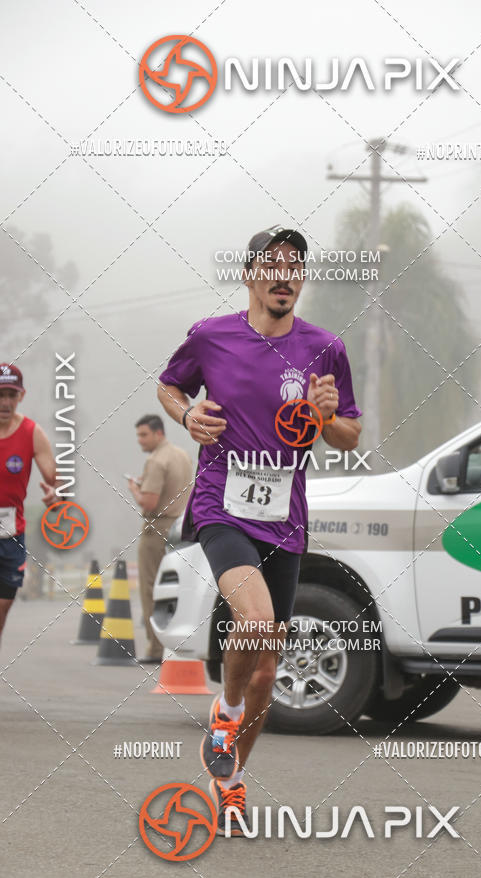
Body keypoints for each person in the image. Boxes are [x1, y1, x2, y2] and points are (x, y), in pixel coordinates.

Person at [157, 225, 362, 835]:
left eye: (295, 265)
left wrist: (328, 416)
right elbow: (170, 386)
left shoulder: (325, 349)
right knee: (256, 621)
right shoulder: (211, 336)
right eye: (273, 264)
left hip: (286, 521)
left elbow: (350, 433)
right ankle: (225, 707)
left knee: (269, 669)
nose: (285, 274)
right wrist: (188, 413)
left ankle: (231, 782)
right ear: (249, 275)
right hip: (222, 507)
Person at [128, 414, 193, 663]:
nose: (140, 441)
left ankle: (156, 649)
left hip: (158, 530)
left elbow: (149, 502)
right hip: (181, 527)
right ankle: (179, 646)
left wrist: (136, 488)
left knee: (151, 589)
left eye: (143, 434)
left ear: (158, 433)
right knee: (178, 589)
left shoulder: (156, 461)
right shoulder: (182, 455)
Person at [0, 364, 56, 642]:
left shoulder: (32, 433)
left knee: (2, 609)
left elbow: (54, 480)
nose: (5, 402)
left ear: (20, 396)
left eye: (11, 395)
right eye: (0, 394)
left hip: (11, 533)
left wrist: (54, 495)